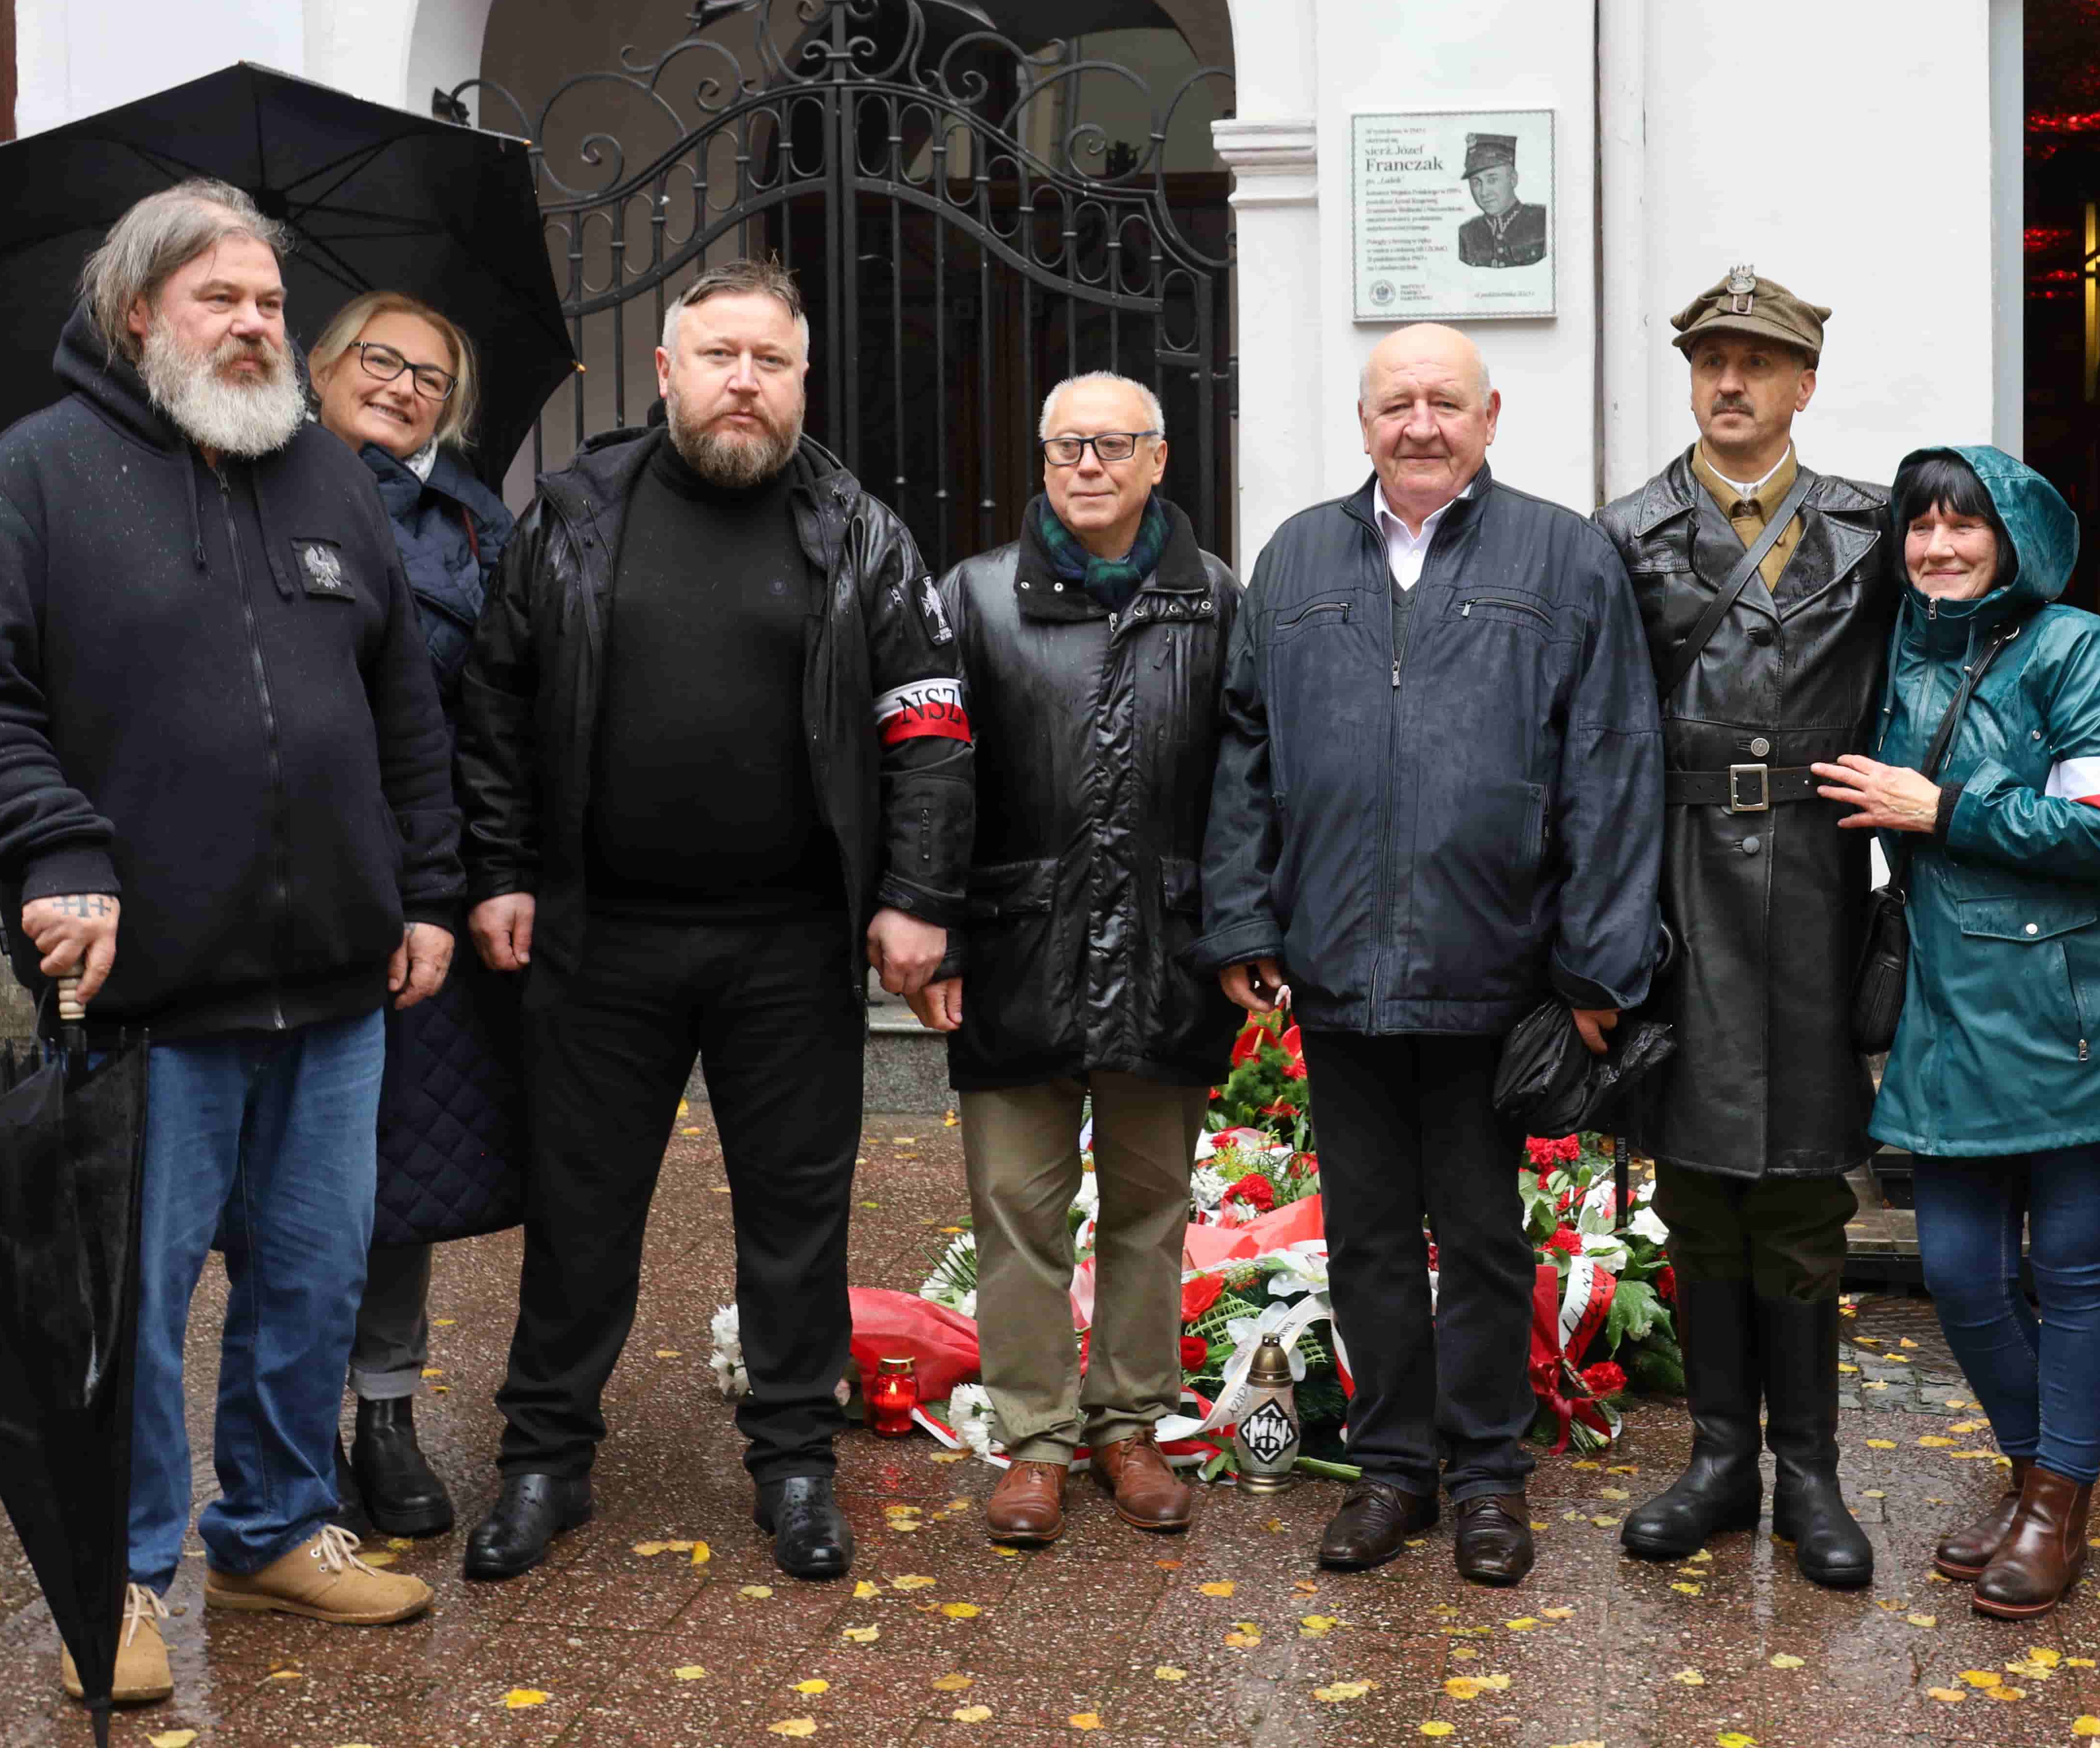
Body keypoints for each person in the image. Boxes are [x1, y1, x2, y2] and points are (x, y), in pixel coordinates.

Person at [0, 179, 456, 1706]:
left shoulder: (329, 477)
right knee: (131, 1314)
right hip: (147, 994)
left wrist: (425, 888)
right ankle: (123, 1576)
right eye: (223, 297)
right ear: (138, 308)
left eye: (272, 301)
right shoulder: (36, 479)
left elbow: (403, 708)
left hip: (335, 990)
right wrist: (57, 848)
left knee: (310, 1286)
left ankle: (271, 1530)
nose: (257, 324)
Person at [453, 258, 969, 1586]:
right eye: (721, 356)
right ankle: (543, 1460)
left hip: (790, 943)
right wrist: (500, 869)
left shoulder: (859, 531)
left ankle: (794, 1462)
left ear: (804, 381)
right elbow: (496, 706)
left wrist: (915, 895)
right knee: (580, 1211)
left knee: (797, 1217)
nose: (745, 381)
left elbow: (927, 722)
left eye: (771, 361)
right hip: (599, 939)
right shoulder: (572, 518)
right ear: (668, 371)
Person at [1198, 322, 1661, 1584]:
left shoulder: (1562, 558)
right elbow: (1245, 753)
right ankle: (1395, 1472)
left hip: (1494, 973)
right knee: (1367, 1242)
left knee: (1485, 1236)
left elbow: (1614, 763)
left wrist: (1595, 966)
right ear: (1363, 422)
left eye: (1445, 402)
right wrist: (1243, 920)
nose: (1420, 424)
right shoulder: (1298, 558)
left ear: (1489, 416)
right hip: (1339, 969)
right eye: (1396, 402)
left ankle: (1490, 1478)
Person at [1813, 444, 2100, 1622]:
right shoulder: (1888, 648)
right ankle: (2044, 1475)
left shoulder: (2070, 644)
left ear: (2010, 539)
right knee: (1959, 1273)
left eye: (1964, 525)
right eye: (1920, 527)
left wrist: (1945, 808)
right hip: (1950, 1007)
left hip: (2082, 1007)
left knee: (2072, 1266)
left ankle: (2054, 1504)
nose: (1938, 547)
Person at [1595, 266, 1896, 1589]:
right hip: (1677, 883)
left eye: (1757, 363)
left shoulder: (1873, 531)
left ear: (1803, 385)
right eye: (1711, 361)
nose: (1730, 383)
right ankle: (1720, 1459)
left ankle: (1809, 1473)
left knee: (1804, 1188)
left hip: (1818, 883)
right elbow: (1594, 738)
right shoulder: (1625, 535)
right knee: (1698, 1183)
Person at [924, 371, 1242, 1548]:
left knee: (1152, 1206)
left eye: (1113, 444)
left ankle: (1129, 1428)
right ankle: (1035, 1440)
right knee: (1015, 1207)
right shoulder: (973, 596)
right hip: (1018, 944)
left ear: (1159, 459)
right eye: (1067, 447)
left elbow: (1245, 781)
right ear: (1043, 462)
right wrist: (940, 928)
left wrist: (1243, 931)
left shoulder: (1214, 598)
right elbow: (935, 778)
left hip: (1169, 946)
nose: (1089, 465)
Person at [306, 290, 522, 1541]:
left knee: (403, 1169)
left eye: (429, 376)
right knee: (281, 1176)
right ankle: (296, 1428)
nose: (400, 385)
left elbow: (505, 706)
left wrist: (482, 876)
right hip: (285, 893)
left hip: (427, 886)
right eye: (378, 360)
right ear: (321, 369)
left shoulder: (477, 523)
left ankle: (385, 1414)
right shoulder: (243, 487)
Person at [1455, 134, 1547, 269]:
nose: (1484, 192)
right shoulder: (1466, 234)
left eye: (1492, 180)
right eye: (1476, 183)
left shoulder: (1543, 220)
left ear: (1513, 179)